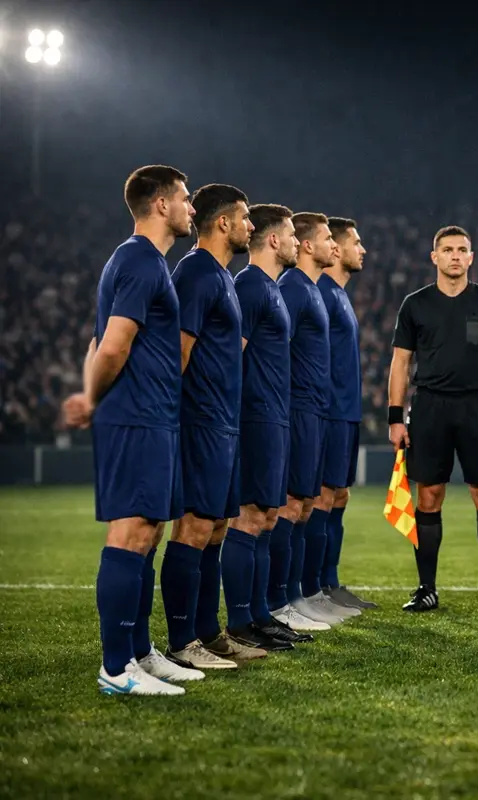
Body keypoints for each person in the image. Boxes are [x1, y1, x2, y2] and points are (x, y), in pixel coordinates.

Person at [62, 164, 197, 695]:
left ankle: (139, 652)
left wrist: (88, 392)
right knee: (132, 532)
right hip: (137, 416)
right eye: (185, 198)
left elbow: (97, 343)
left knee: (150, 532)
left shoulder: (143, 262)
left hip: (153, 414)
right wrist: (92, 398)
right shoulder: (141, 260)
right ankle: (116, 668)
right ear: (160, 204)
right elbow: (113, 345)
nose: (191, 207)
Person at [387, 225, 478, 612]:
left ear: (471, 257)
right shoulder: (415, 304)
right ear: (435, 257)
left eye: (462, 249)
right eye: (447, 250)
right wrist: (396, 417)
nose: (455, 256)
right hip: (429, 406)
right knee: (428, 496)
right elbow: (400, 362)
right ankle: (426, 588)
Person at [160, 183, 267, 670]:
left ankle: (208, 632)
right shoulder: (198, 274)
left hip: (224, 423)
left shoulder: (221, 275)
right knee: (194, 527)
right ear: (223, 223)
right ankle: (183, 642)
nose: (250, 226)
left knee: (217, 528)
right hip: (200, 421)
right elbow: (177, 352)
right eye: (245, 218)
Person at [225, 203, 315, 647]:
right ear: (274, 240)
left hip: (276, 415)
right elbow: (231, 355)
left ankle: (260, 615)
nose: (298, 242)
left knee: (265, 516)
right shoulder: (248, 286)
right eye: (292, 234)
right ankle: (240, 622)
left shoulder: (272, 287)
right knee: (247, 518)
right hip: (256, 416)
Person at [274, 212, 352, 626]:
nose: (335, 246)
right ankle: (283, 600)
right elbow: (273, 348)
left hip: (317, 408)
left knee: (303, 504)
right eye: (327, 238)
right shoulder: (294, 288)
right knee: (290, 505)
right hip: (296, 408)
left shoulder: (312, 289)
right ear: (307, 245)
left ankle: (301, 595)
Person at [315, 217, 376, 611]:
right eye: (355, 242)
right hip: (328, 412)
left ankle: (329, 583)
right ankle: (312, 589)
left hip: (346, 411)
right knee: (319, 499)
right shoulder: (319, 292)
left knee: (338, 496)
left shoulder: (338, 294)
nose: (362, 249)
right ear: (335, 249)